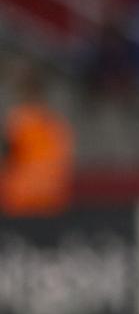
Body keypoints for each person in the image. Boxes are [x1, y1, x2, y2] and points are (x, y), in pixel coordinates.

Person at [0, 60, 74, 216]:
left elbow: (8, 156)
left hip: (22, 198)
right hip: (47, 198)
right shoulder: (55, 123)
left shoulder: (18, 121)